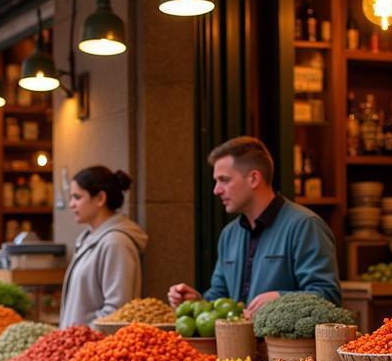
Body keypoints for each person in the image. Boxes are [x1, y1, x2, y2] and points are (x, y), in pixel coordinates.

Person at [168, 136, 340, 315]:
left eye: (224, 180)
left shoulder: (305, 226)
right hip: (235, 342)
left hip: (283, 344)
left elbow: (328, 297)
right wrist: (197, 302)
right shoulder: (229, 234)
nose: (216, 190)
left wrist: (280, 299)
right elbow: (219, 298)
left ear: (254, 178)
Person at [58, 167, 148, 327]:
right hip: (78, 347)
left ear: (100, 198)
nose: (71, 204)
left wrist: (82, 338)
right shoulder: (88, 238)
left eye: (77, 197)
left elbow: (117, 310)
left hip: (94, 348)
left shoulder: (116, 243)